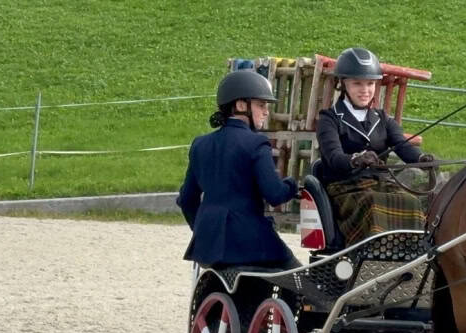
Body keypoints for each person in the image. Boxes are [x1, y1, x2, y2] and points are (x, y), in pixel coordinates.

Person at [177, 69, 300, 270]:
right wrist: (292, 185)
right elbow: (275, 194)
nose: (266, 111)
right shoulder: (256, 143)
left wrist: (201, 229)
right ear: (241, 105)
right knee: (298, 275)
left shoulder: (200, 144)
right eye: (261, 105)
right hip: (248, 243)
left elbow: (187, 199)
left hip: (207, 245)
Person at [316, 47, 434, 246]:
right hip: (345, 186)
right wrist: (355, 159)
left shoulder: (382, 118)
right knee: (372, 203)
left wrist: (421, 159)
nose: (365, 90)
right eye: (357, 84)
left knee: (412, 202)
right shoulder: (329, 118)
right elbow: (333, 157)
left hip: (379, 183)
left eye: (370, 84)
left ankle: (409, 253)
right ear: (343, 84)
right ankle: (372, 253)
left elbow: (402, 146)